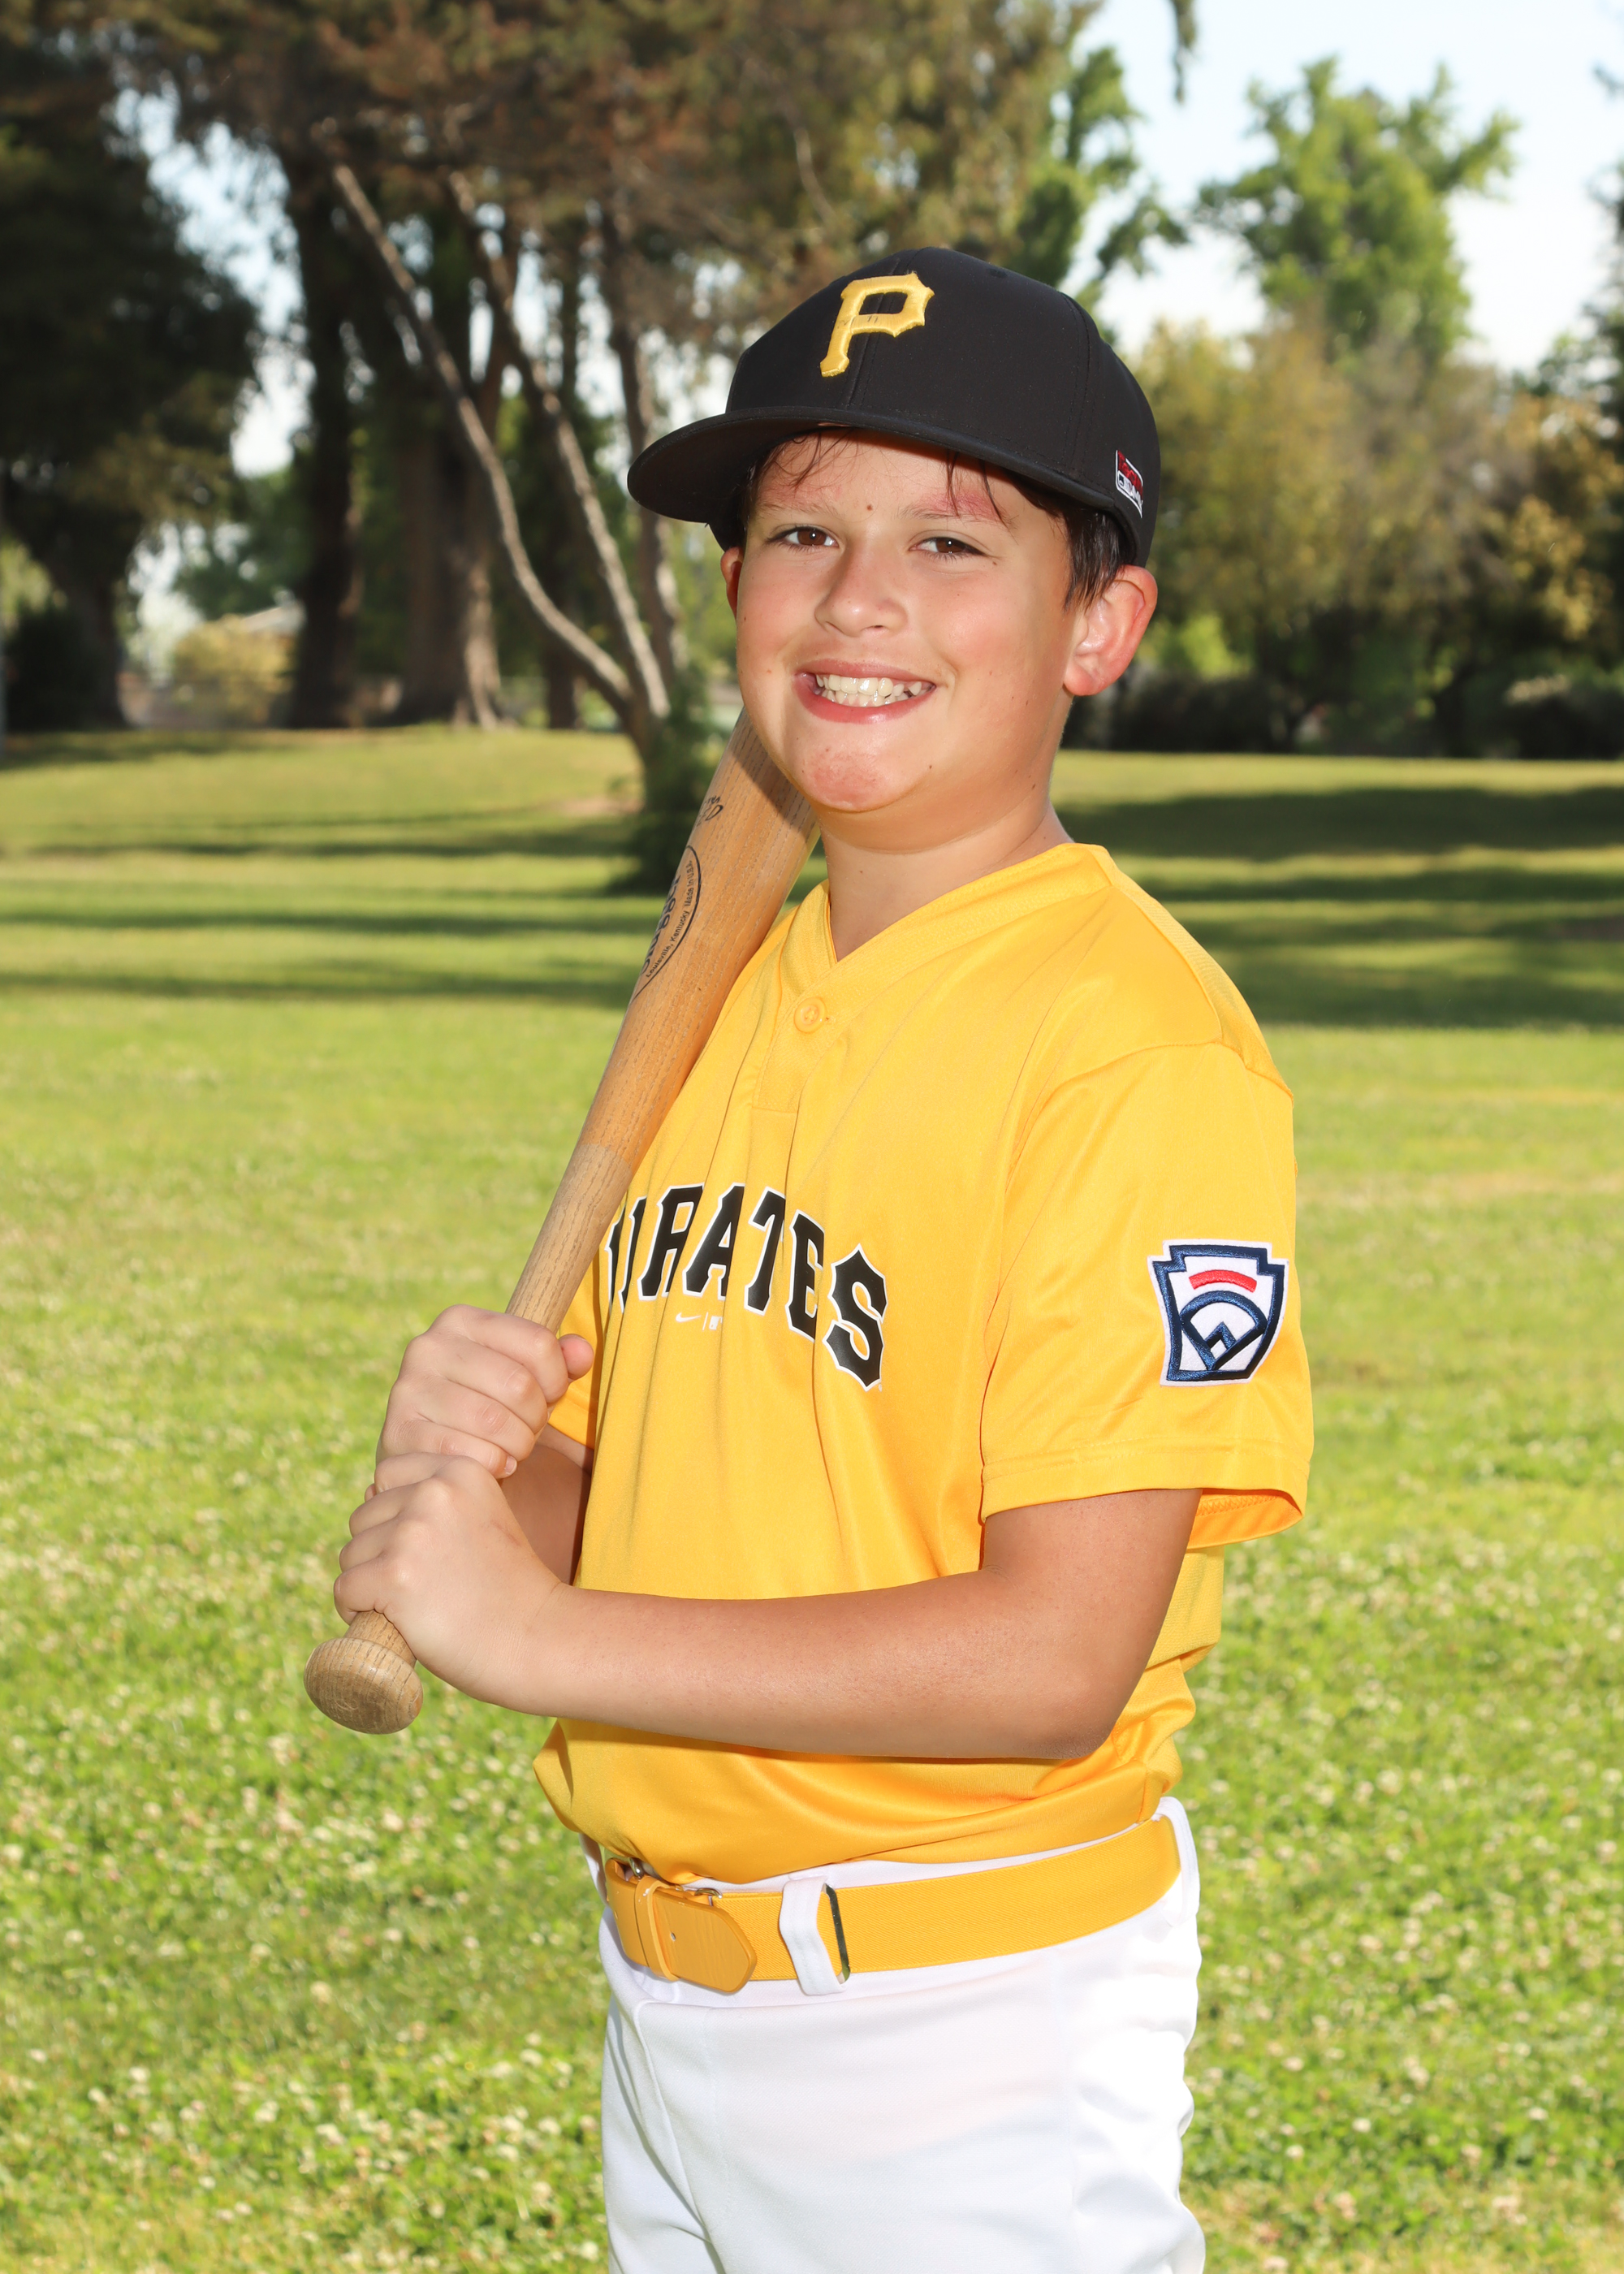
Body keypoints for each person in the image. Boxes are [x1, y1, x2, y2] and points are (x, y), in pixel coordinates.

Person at [333, 249, 1313, 2272]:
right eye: (801, 532)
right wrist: (488, 1474)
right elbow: (641, 1503)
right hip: (670, 2004)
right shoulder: (728, 994)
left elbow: (1053, 1656)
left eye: (951, 540)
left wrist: (537, 1639)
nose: (860, 597)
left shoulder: (1130, 1046)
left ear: (1099, 624)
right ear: (735, 591)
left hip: (961, 2028)